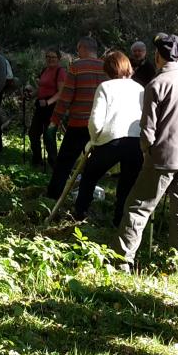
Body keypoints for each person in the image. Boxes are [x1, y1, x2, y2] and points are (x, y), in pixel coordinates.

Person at [114, 33, 178, 277]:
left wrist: (146, 151)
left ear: (157, 56)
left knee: (138, 208)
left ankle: (123, 262)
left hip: (163, 157)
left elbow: (147, 130)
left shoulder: (157, 84)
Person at [73, 51, 144, 226]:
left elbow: (95, 120)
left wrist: (95, 140)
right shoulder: (140, 88)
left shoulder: (105, 87)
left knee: (89, 176)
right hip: (135, 141)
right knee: (127, 182)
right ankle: (120, 220)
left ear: (108, 69)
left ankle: (80, 213)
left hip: (111, 140)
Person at [47, 37, 107, 198]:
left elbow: (65, 97)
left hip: (79, 123)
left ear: (82, 48)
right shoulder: (106, 67)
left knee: (65, 161)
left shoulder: (76, 66)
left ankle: (54, 196)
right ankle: (86, 197)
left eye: (78, 49)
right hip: (100, 125)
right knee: (93, 163)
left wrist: (54, 121)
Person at [28, 50, 67, 167]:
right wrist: (31, 95)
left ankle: (53, 163)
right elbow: (41, 88)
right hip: (41, 105)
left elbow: (61, 92)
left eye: (53, 57)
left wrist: (48, 102)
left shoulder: (60, 72)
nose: (50, 59)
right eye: (48, 57)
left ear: (58, 59)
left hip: (53, 107)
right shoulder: (45, 70)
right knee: (33, 133)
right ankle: (37, 160)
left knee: (49, 135)